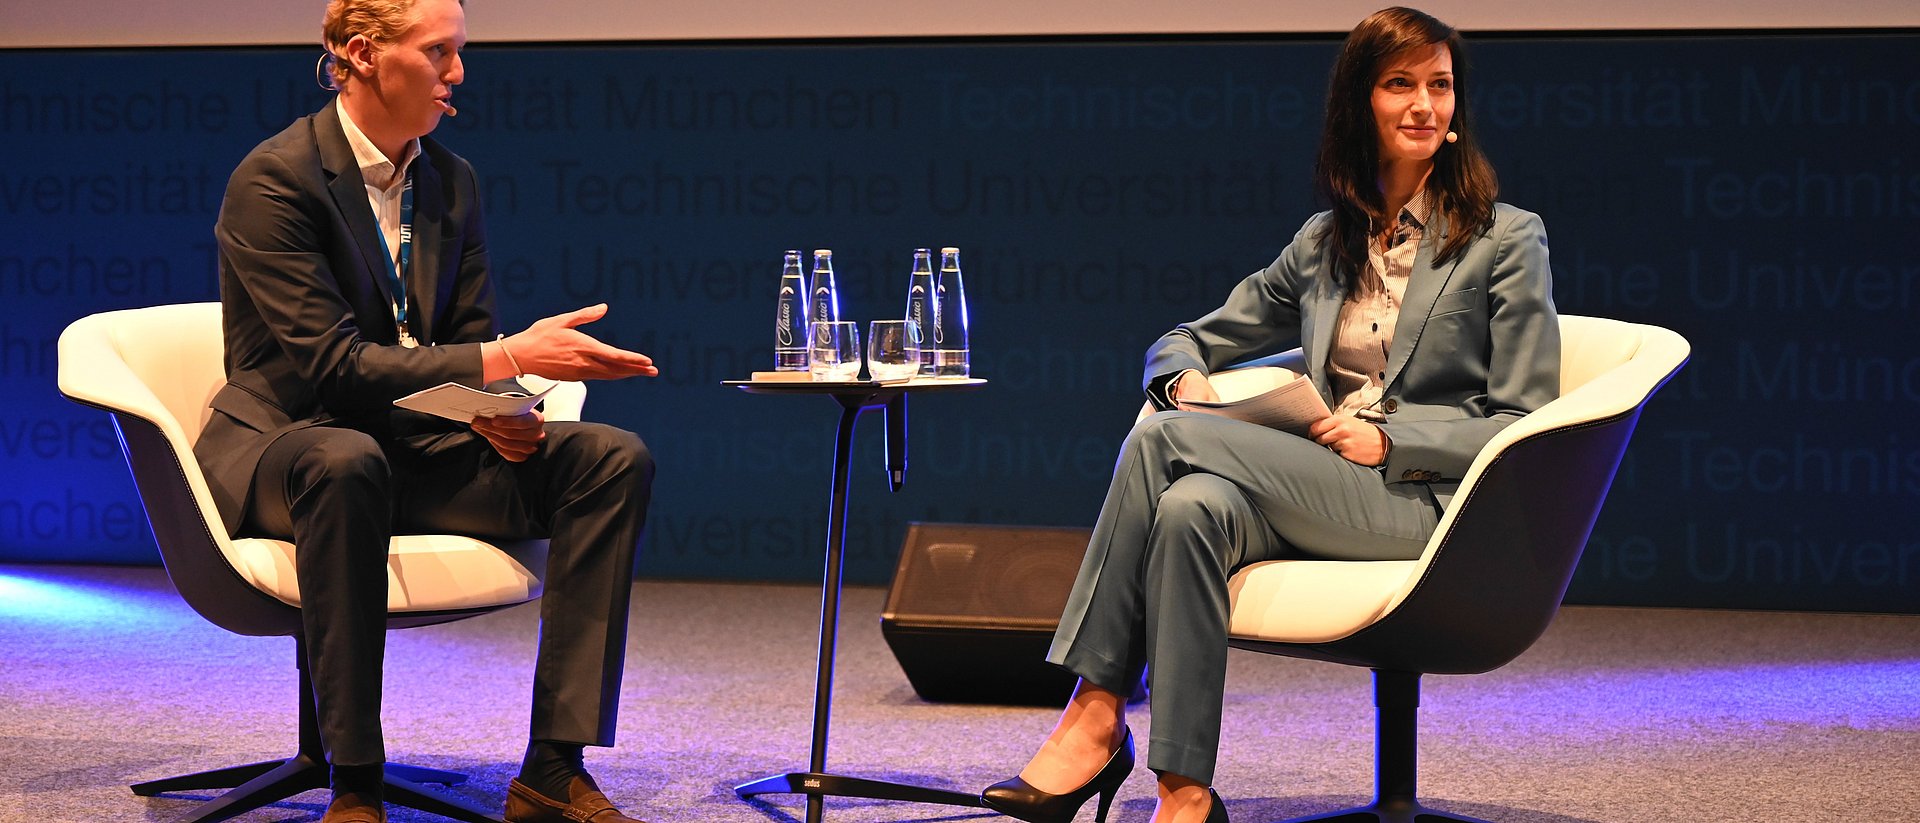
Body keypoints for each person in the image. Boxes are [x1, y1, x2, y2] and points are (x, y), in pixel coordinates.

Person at [980, 8, 1560, 823]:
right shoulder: (1325, 244)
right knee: (1188, 508)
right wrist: (1182, 383)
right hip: (1319, 483)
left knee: (1159, 441)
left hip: (1425, 501)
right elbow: (1184, 341)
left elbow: (1525, 418)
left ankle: (1095, 708)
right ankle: (1184, 793)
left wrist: (1392, 440)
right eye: (1401, 85)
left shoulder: (1505, 238)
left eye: (1441, 85)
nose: (1427, 104)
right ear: (1360, 104)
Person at [196, 1, 660, 821]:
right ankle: (356, 778)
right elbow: (334, 370)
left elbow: (466, 340)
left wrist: (500, 411)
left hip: (412, 449)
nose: (458, 73)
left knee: (608, 457)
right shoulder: (274, 179)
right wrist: (511, 357)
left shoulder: (450, 180)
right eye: (439, 51)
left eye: (460, 52)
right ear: (367, 55)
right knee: (346, 459)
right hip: (292, 447)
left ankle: (554, 765)